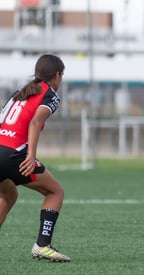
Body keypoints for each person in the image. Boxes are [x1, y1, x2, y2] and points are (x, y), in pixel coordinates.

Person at [0, 54, 70, 262]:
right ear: (57, 75)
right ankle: (43, 245)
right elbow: (34, 122)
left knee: (8, 194)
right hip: (13, 155)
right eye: (62, 76)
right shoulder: (51, 95)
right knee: (55, 191)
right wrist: (30, 155)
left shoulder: (18, 93)